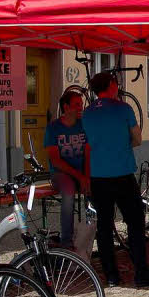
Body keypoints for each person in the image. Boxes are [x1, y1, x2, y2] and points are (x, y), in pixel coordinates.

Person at [82, 72, 149, 288]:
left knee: (104, 227)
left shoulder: (87, 113)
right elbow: (137, 138)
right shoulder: (124, 109)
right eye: (116, 82)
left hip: (98, 176)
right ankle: (141, 272)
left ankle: (112, 276)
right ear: (111, 85)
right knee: (135, 223)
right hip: (122, 173)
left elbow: (87, 146)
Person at [44, 90, 90, 248]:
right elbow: (55, 161)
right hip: (61, 174)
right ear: (66, 107)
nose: (81, 108)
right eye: (77, 105)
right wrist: (80, 176)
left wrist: (87, 177)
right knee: (69, 193)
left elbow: (88, 152)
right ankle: (67, 242)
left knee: (98, 189)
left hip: (81, 173)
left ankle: (93, 235)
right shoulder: (53, 128)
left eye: (81, 104)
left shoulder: (83, 125)